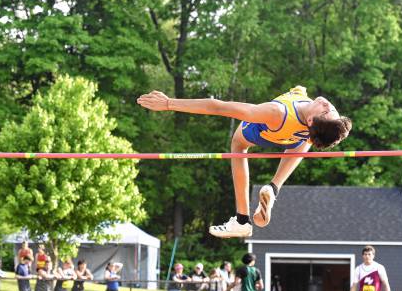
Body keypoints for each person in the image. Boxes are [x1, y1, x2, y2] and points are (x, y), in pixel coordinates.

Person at [137, 87, 351, 238]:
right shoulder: (319, 127)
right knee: (308, 140)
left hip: (264, 130)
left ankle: (242, 220)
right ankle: (274, 187)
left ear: (313, 120)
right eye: (331, 108)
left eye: (325, 110)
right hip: (296, 137)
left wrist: (168, 103)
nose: (326, 103)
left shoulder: (276, 113)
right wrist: (298, 93)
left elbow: (218, 107)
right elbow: (325, 132)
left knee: (238, 147)